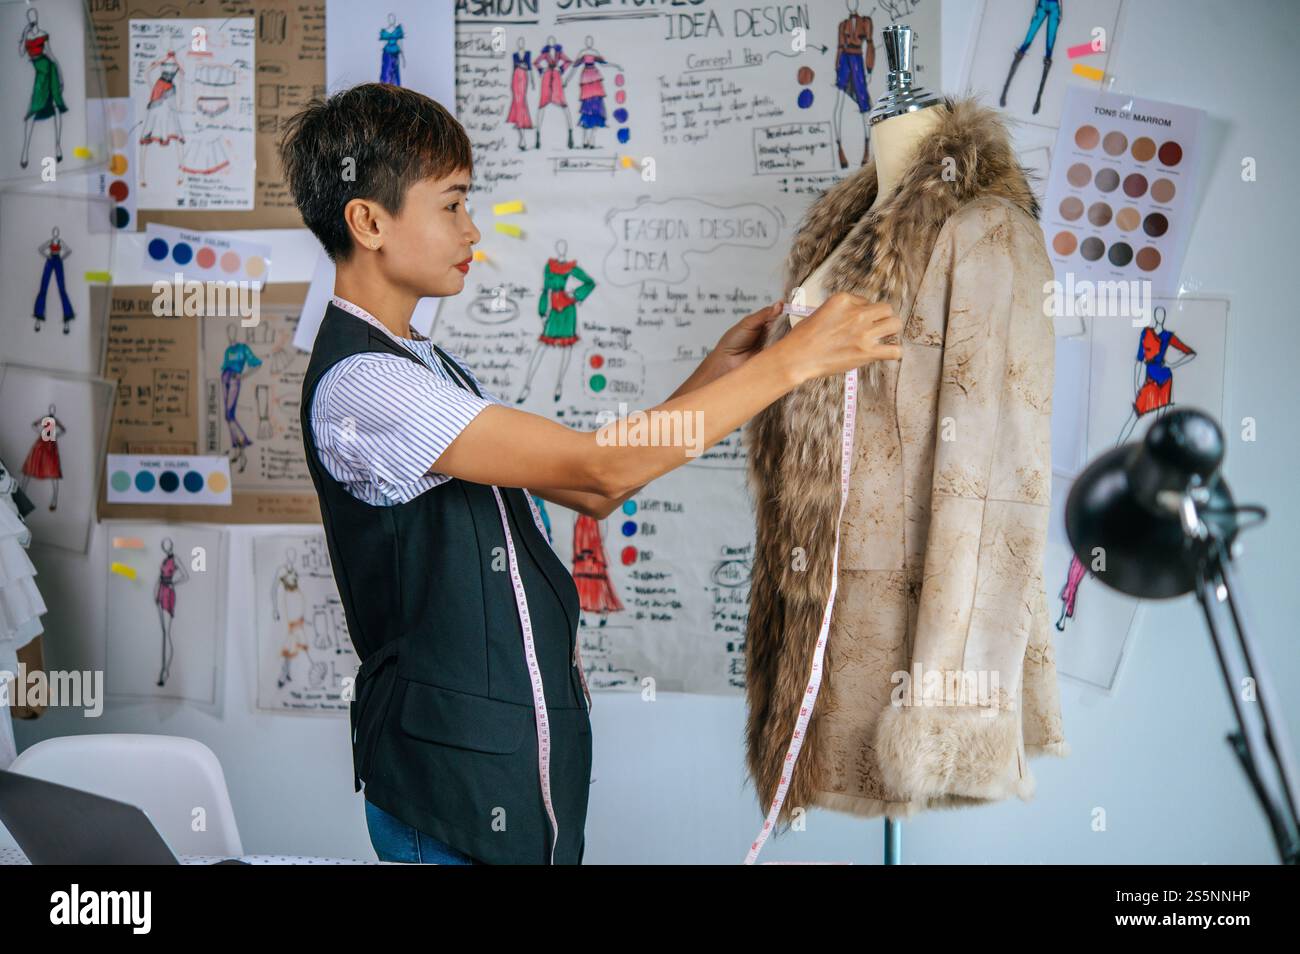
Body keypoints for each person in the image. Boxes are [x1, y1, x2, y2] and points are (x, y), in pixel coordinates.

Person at [277, 82, 901, 865]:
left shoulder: (426, 366)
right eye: (452, 205)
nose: (474, 230)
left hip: (509, 785)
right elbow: (598, 471)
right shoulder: (367, 385)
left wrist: (714, 378)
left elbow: (590, 490)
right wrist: (794, 361)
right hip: (451, 799)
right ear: (368, 221)